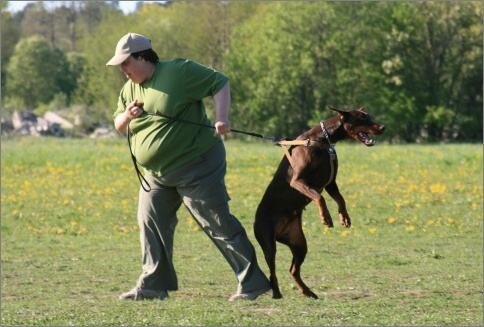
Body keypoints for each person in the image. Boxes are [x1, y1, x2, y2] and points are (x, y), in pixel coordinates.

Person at [106, 32, 271, 301]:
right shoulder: (129, 89)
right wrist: (127, 115)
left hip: (197, 165)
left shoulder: (179, 71)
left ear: (142, 56)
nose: (122, 70)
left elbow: (219, 82)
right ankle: (154, 285)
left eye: (125, 63)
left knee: (217, 223)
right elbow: (118, 125)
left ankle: (253, 283)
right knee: (151, 222)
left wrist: (221, 117)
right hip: (156, 174)